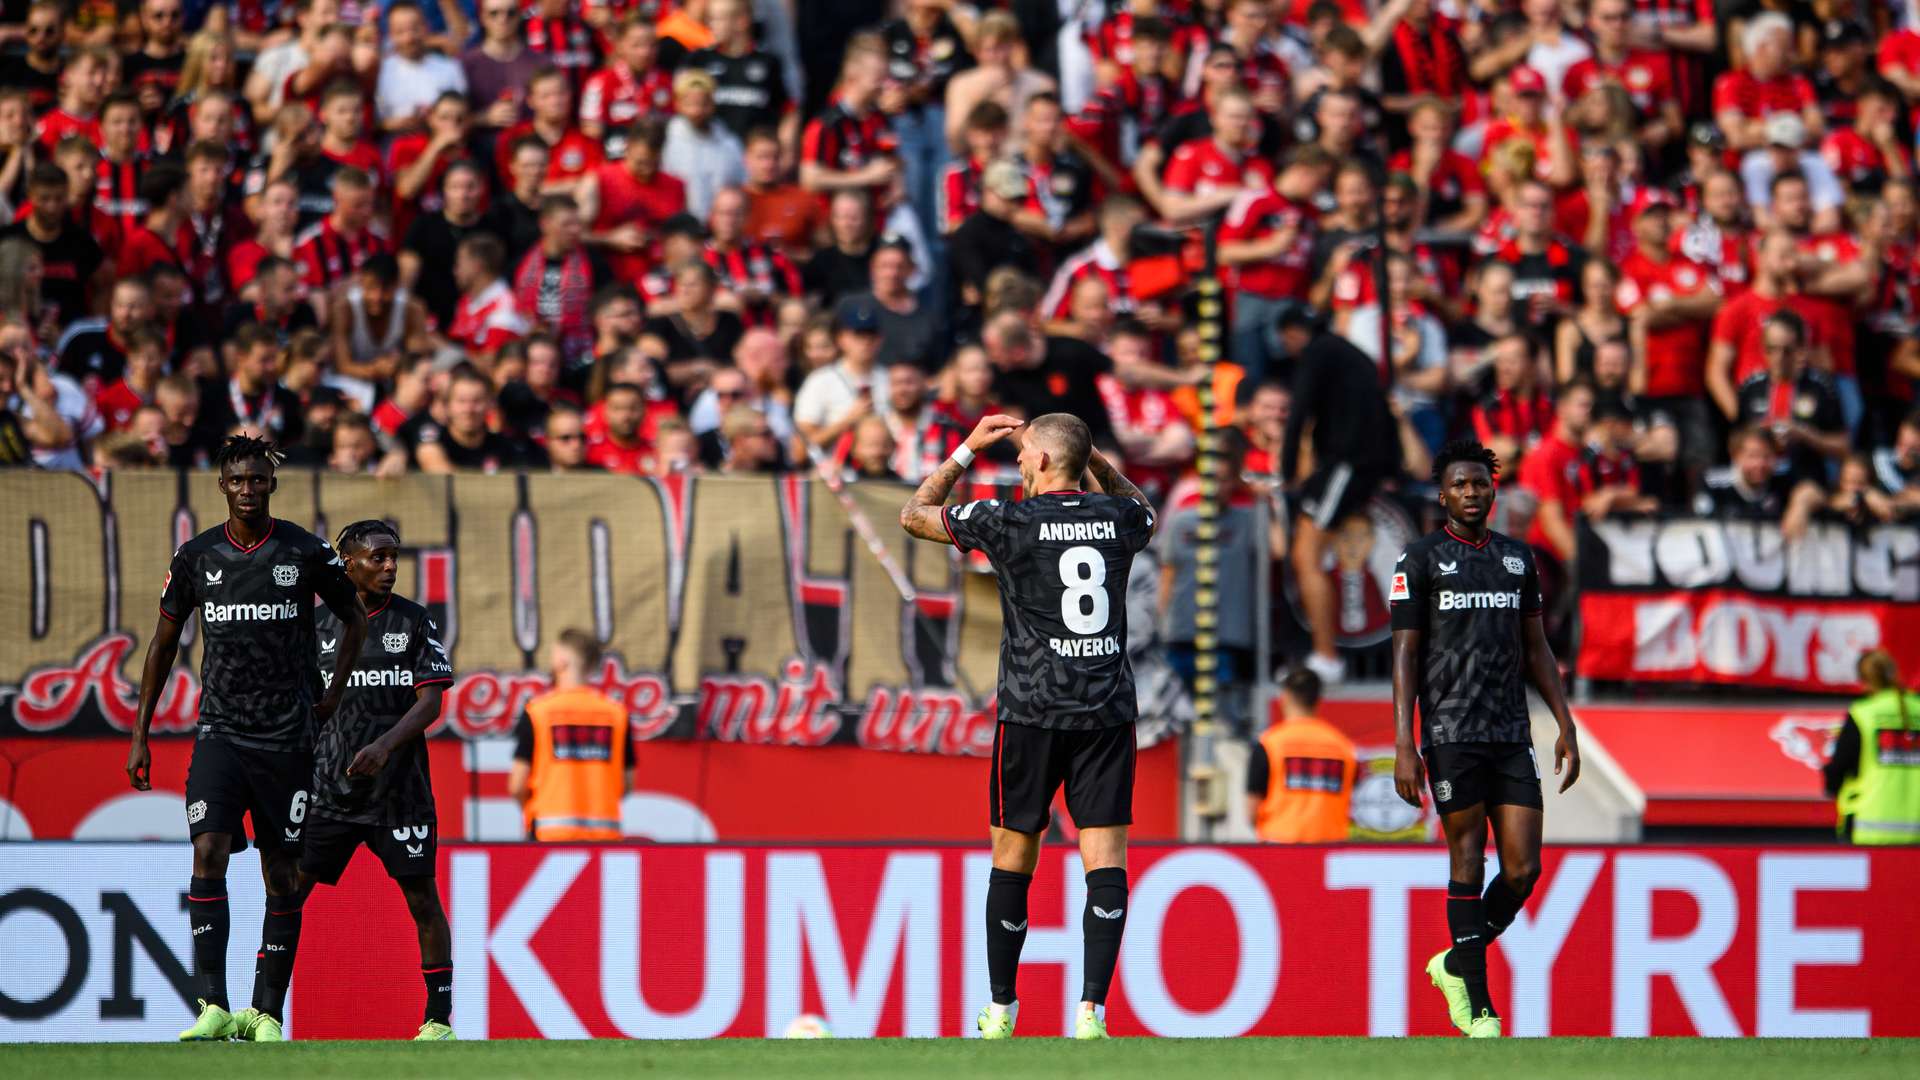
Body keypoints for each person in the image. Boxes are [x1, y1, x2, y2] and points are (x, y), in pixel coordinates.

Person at [899, 411, 1157, 1041]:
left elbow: (914, 513)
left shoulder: (1008, 519)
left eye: (1021, 456)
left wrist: (965, 449)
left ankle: (1002, 1012)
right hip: (1104, 710)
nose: (1016, 464)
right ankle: (1092, 1013)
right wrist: (1092, 457)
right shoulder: (1120, 522)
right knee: (1106, 860)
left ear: (1041, 461)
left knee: (1014, 856)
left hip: (1032, 710)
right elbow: (1141, 507)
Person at [124, 434, 369, 1042]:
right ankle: (212, 1004)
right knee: (207, 850)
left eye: (258, 480)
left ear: (272, 484)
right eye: (238, 481)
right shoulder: (196, 557)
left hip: (288, 737)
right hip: (221, 731)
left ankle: (265, 1012)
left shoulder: (305, 552)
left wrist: (334, 694)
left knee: (281, 874)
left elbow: (356, 616)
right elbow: (163, 643)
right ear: (222, 486)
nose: (248, 490)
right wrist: (140, 732)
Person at [1389, 439, 1581, 1039]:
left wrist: (1565, 720)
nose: (1472, 493)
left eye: (1480, 484)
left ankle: (1454, 963)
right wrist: (1404, 740)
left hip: (1509, 730)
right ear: (1442, 494)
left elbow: (1537, 648)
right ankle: (1478, 1007)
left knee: (1524, 868)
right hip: (1450, 731)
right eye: (1460, 485)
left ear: (1493, 490)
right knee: (1467, 857)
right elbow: (1405, 653)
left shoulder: (1519, 560)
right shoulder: (1417, 561)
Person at [292, 519, 457, 1041]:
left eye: (394, 558)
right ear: (348, 563)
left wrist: (385, 746)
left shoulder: (412, 622)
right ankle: (264, 1012)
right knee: (287, 894)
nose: (389, 567)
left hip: (398, 792)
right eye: (378, 558)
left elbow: (430, 701)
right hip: (327, 789)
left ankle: (437, 1021)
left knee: (422, 901)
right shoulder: (313, 626)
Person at [509, 629, 631, 841]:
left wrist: (531, 811)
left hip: (550, 836)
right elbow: (627, 782)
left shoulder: (538, 711)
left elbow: (517, 784)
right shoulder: (616, 713)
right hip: (605, 837)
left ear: (561, 661)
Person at [1246, 666, 1358, 843]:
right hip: (1330, 847)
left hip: (1279, 844)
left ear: (1285, 697)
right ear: (1319, 700)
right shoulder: (1343, 746)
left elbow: (1252, 809)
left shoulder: (1269, 743)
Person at [1823, 650, 1920, 845]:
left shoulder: (1863, 714)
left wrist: (1832, 786)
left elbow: (1838, 768)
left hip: (1869, 829)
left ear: (1862, 680)